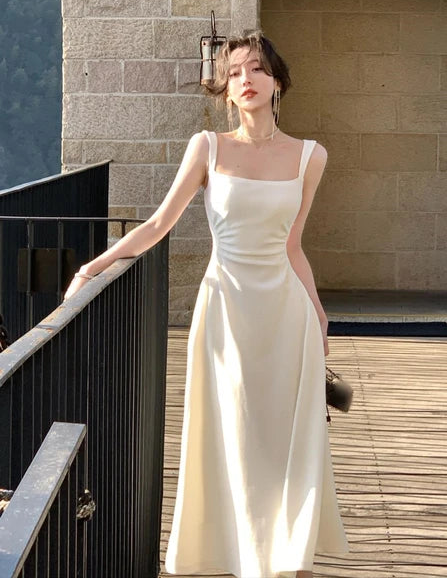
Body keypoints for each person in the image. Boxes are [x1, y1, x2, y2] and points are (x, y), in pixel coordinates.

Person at [64, 31, 349, 577]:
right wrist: (91, 267)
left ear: (277, 81)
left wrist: (318, 313)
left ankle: (291, 561)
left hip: (287, 318)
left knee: (287, 442)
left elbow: (293, 245)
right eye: (235, 72)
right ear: (225, 89)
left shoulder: (310, 156)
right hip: (226, 314)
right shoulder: (208, 147)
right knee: (238, 437)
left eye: (257, 69)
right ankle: (247, 559)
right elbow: (157, 225)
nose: (246, 79)